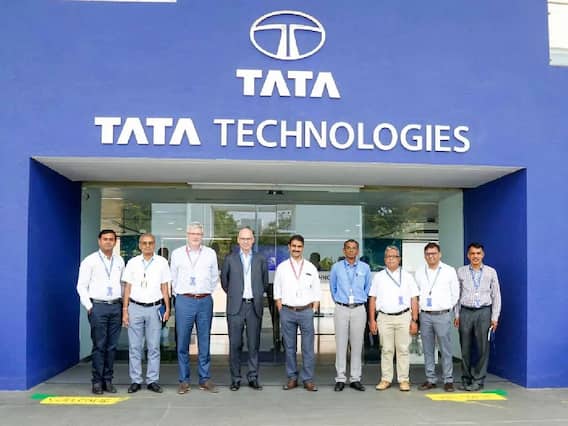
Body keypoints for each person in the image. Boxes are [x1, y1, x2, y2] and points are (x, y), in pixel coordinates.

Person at [170, 222, 220, 394]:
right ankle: (184, 380)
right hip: (184, 300)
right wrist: (182, 294)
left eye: (198, 234)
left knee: (204, 340)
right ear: (187, 234)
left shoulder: (210, 253)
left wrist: (203, 291)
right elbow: (173, 278)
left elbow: (214, 277)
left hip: (204, 300)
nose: (195, 237)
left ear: (202, 236)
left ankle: (204, 379)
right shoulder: (177, 254)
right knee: (182, 341)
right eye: (193, 233)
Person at [76, 229, 125, 394]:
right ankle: (97, 381)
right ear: (99, 241)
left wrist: (123, 304)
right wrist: (89, 306)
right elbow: (81, 286)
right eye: (105, 239)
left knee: (112, 346)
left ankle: (108, 380)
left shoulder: (119, 261)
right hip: (98, 306)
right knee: (99, 346)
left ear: (115, 242)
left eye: (111, 239)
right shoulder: (90, 261)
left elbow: (123, 284)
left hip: (116, 306)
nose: (108, 242)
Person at [221, 226, 269, 391]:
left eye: (248, 238)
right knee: (235, 344)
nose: (246, 241)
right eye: (243, 238)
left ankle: (253, 377)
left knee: (253, 344)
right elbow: (225, 282)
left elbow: (264, 282)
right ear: (238, 240)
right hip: (236, 307)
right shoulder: (230, 259)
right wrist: (236, 295)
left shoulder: (260, 259)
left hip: (254, 306)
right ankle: (235, 378)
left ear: (253, 240)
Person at [122, 233, 171, 394]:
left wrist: (167, 308)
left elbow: (165, 287)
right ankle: (135, 380)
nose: (147, 246)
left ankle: (152, 380)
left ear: (154, 245)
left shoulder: (162, 262)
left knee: (154, 347)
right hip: (135, 307)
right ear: (139, 245)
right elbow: (127, 288)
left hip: (154, 308)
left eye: (150, 243)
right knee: (134, 347)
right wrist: (125, 310)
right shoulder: (132, 263)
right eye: (144, 243)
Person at [368, 245, 419, 392]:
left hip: (404, 317)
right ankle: (386, 379)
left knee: (403, 350)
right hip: (384, 318)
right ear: (384, 259)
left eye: (394, 256)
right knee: (386, 350)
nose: (391, 259)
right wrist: (372, 320)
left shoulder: (408, 276)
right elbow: (372, 299)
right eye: (388, 257)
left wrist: (414, 320)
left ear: (399, 259)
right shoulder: (378, 277)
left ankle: (404, 380)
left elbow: (414, 298)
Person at [274, 234, 321, 391]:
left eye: (299, 246)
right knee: (289, 347)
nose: (296, 249)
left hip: (306, 311)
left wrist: (313, 309)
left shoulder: (310, 267)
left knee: (308, 348)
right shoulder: (282, 267)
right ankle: (292, 378)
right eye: (293, 246)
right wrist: (281, 309)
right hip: (287, 311)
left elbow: (317, 291)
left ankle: (308, 379)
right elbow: (277, 291)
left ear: (303, 248)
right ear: (289, 247)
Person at [455, 242, 502, 391]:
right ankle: (466, 378)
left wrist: (494, 317)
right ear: (468, 255)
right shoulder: (461, 272)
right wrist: (457, 314)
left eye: (478, 253)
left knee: (483, 348)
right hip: (466, 312)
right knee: (465, 348)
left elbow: (496, 296)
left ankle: (478, 380)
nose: (475, 256)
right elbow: (457, 295)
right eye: (472, 253)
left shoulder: (491, 272)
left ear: (483, 255)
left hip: (484, 312)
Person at [414, 242, 459, 392]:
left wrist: (447, 307)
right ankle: (430, 379)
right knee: (428, 349)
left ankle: (448, 380)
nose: (431, 256)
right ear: (424, 256)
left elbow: (455, 293)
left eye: (434, 253)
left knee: (445, 349)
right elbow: (416, 293)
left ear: (440, 254)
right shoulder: (419, 272)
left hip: (442, 314)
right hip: (425, 315)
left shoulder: (449, 271)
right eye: (428, 254)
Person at [329, 239, 371, 392]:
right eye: (348, 248)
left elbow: (367, 287)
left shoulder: (365, 268)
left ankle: (355, 378)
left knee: (357, 345)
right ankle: (340, 378)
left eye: (354, 248)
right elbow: (333, 287)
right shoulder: (336, 267)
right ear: (344, 250)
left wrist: (360, 299)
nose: (351, 250)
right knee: (340, 344)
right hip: (341, 308)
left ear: (357, 251)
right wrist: (339, 300)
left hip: (359, 309)